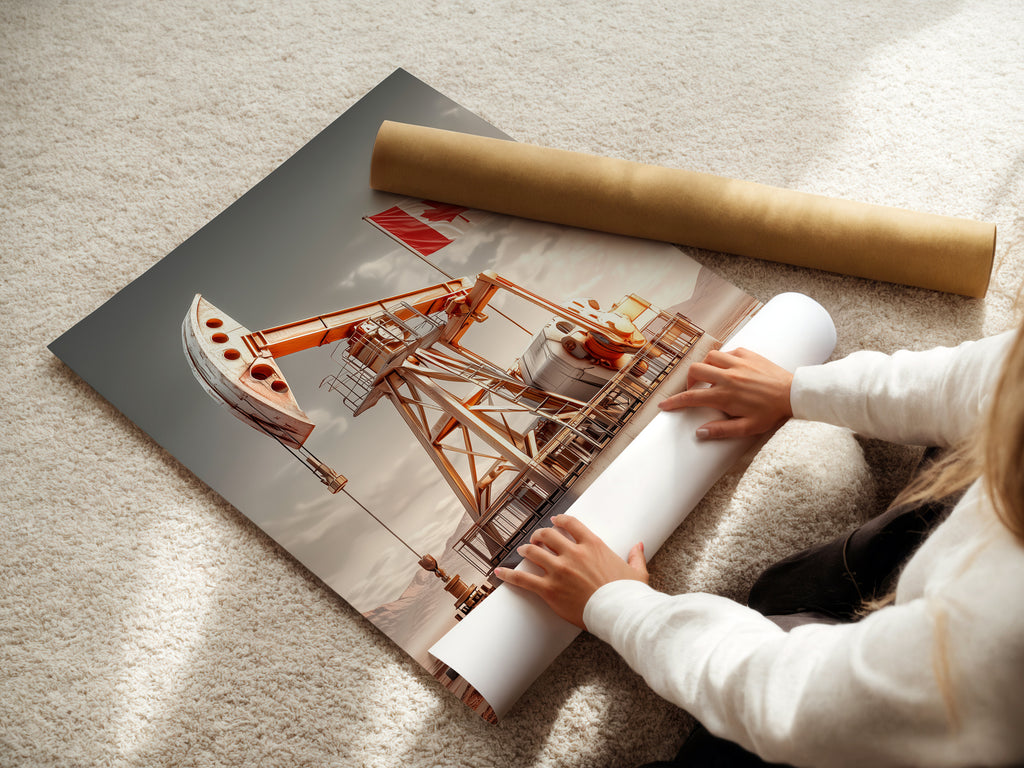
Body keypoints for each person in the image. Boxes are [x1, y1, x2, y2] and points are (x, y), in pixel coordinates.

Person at [496, 324, 1024, 767]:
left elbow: (797, 702)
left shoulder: (1000, 637)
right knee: (788, 590)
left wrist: (619, 605)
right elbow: (986, 377)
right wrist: (798, 389)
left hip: (951, 716)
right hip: (953, 604)